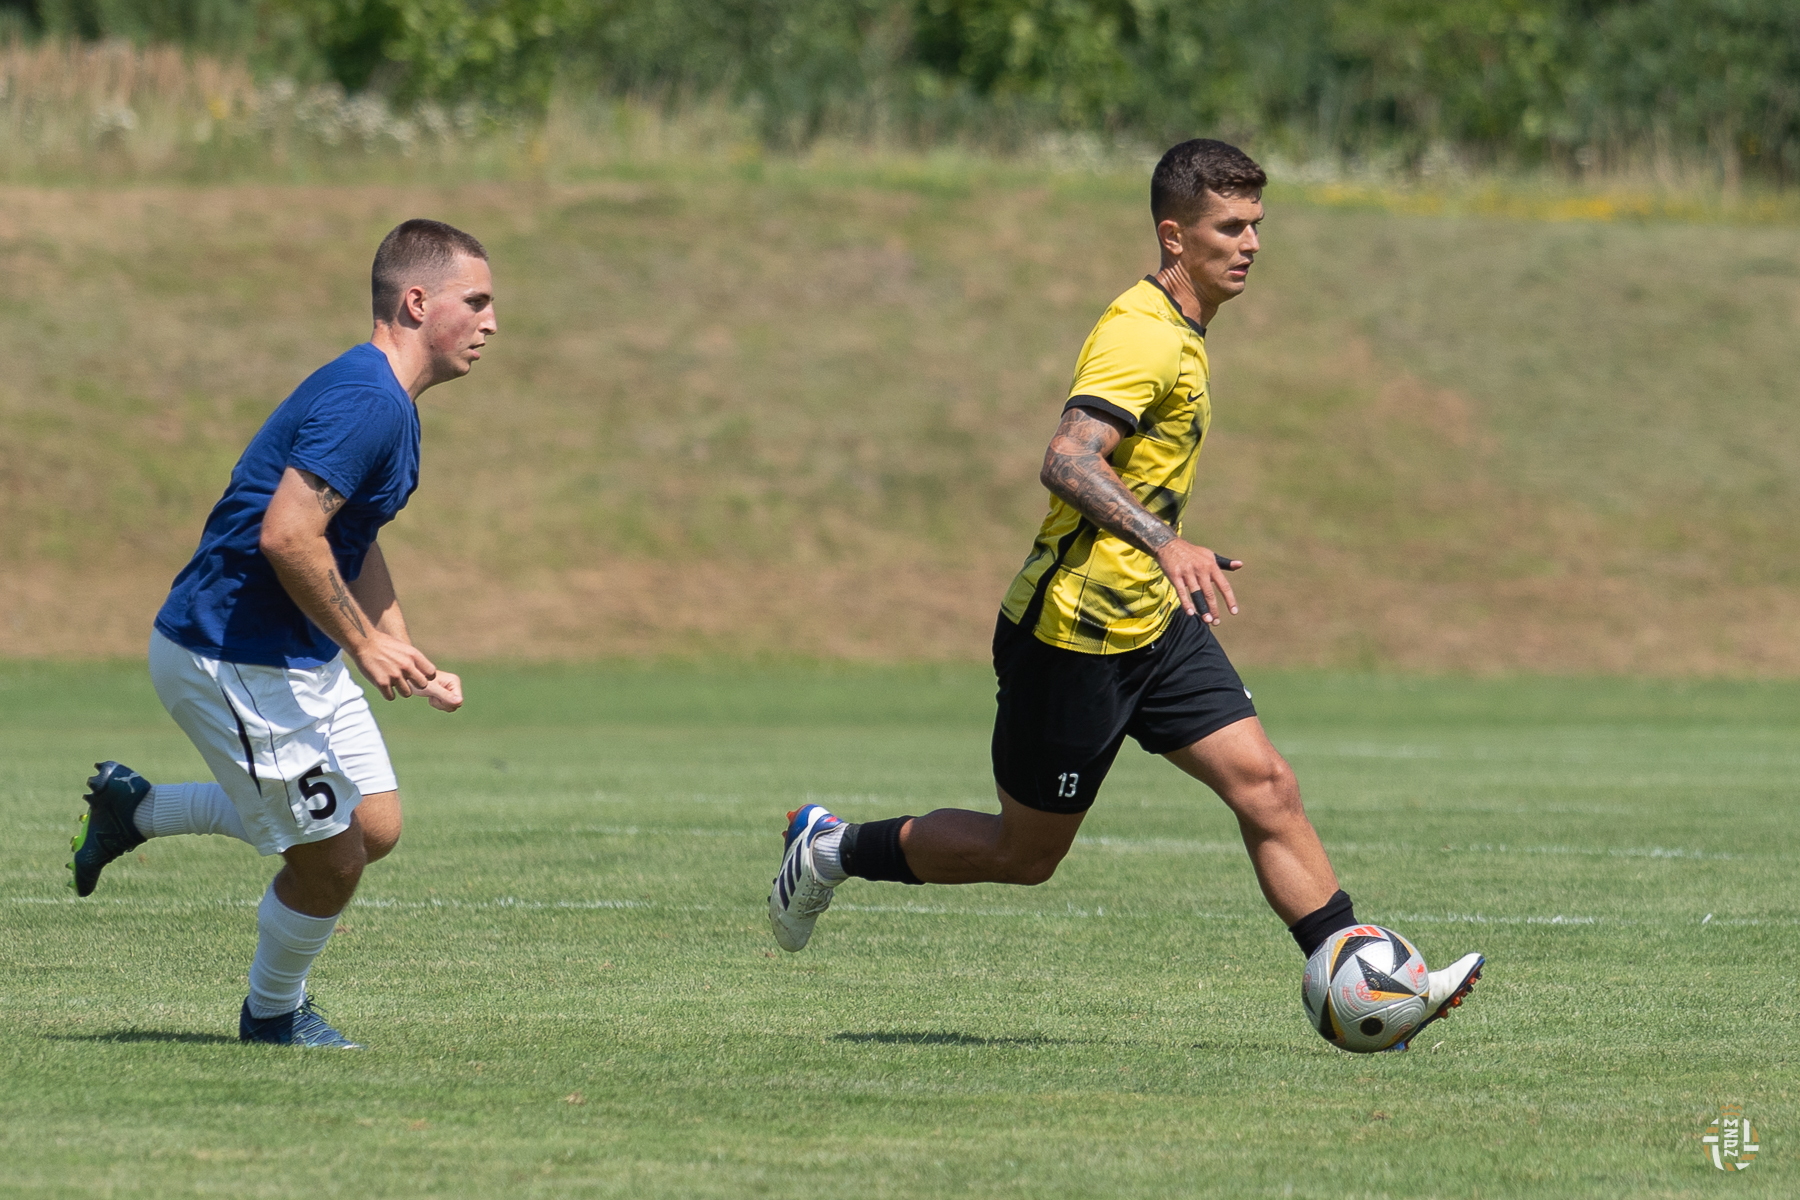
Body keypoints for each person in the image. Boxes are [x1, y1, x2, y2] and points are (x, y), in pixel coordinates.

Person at [768, 139, 1483, 1049]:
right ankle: (830, 848)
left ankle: (1366, 983)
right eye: (1231, 227)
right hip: (1074, 635)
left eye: (1257, 225)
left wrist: (1166, 558)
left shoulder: (1185, 331)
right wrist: (1166, 541)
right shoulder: (1141, 333)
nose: (1252, 244)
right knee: (1025, 854)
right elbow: (1067, 459)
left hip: (1155, 622)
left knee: (1267, 786)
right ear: (1174, 236)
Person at [66, 219, 497, 1049]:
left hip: (290, 654)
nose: (491, 322)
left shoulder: (392, 405)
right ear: (417, 302)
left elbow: (350, 537)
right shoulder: (368, 401)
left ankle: (139, 810)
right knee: (331, 861)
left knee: (373, 825)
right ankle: (272, 1014)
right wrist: (365, 648)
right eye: (475, 301)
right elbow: (289, 535)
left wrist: (399, 641)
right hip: (232, 655)